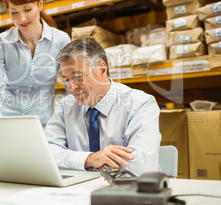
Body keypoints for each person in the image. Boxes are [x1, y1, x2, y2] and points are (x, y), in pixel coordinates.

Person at [45, 38, 161, 176]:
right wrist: (89, 159)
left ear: (102, 69)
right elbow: (47, 154)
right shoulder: (65, 107)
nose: (71, 87)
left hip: (126, 191)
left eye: (78, 77)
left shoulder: (140, 104)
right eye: (67, 79)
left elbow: (140, 166)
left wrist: (71, 160)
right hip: (78, 190)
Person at [0, 0, 71, 127]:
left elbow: (71, 87)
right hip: (8, 124)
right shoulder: (1, 43)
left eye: (27, 9)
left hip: (44, 126)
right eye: (14, 13)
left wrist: (73, 125)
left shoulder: (60, 40)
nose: (21, 19)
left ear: (40, 4)